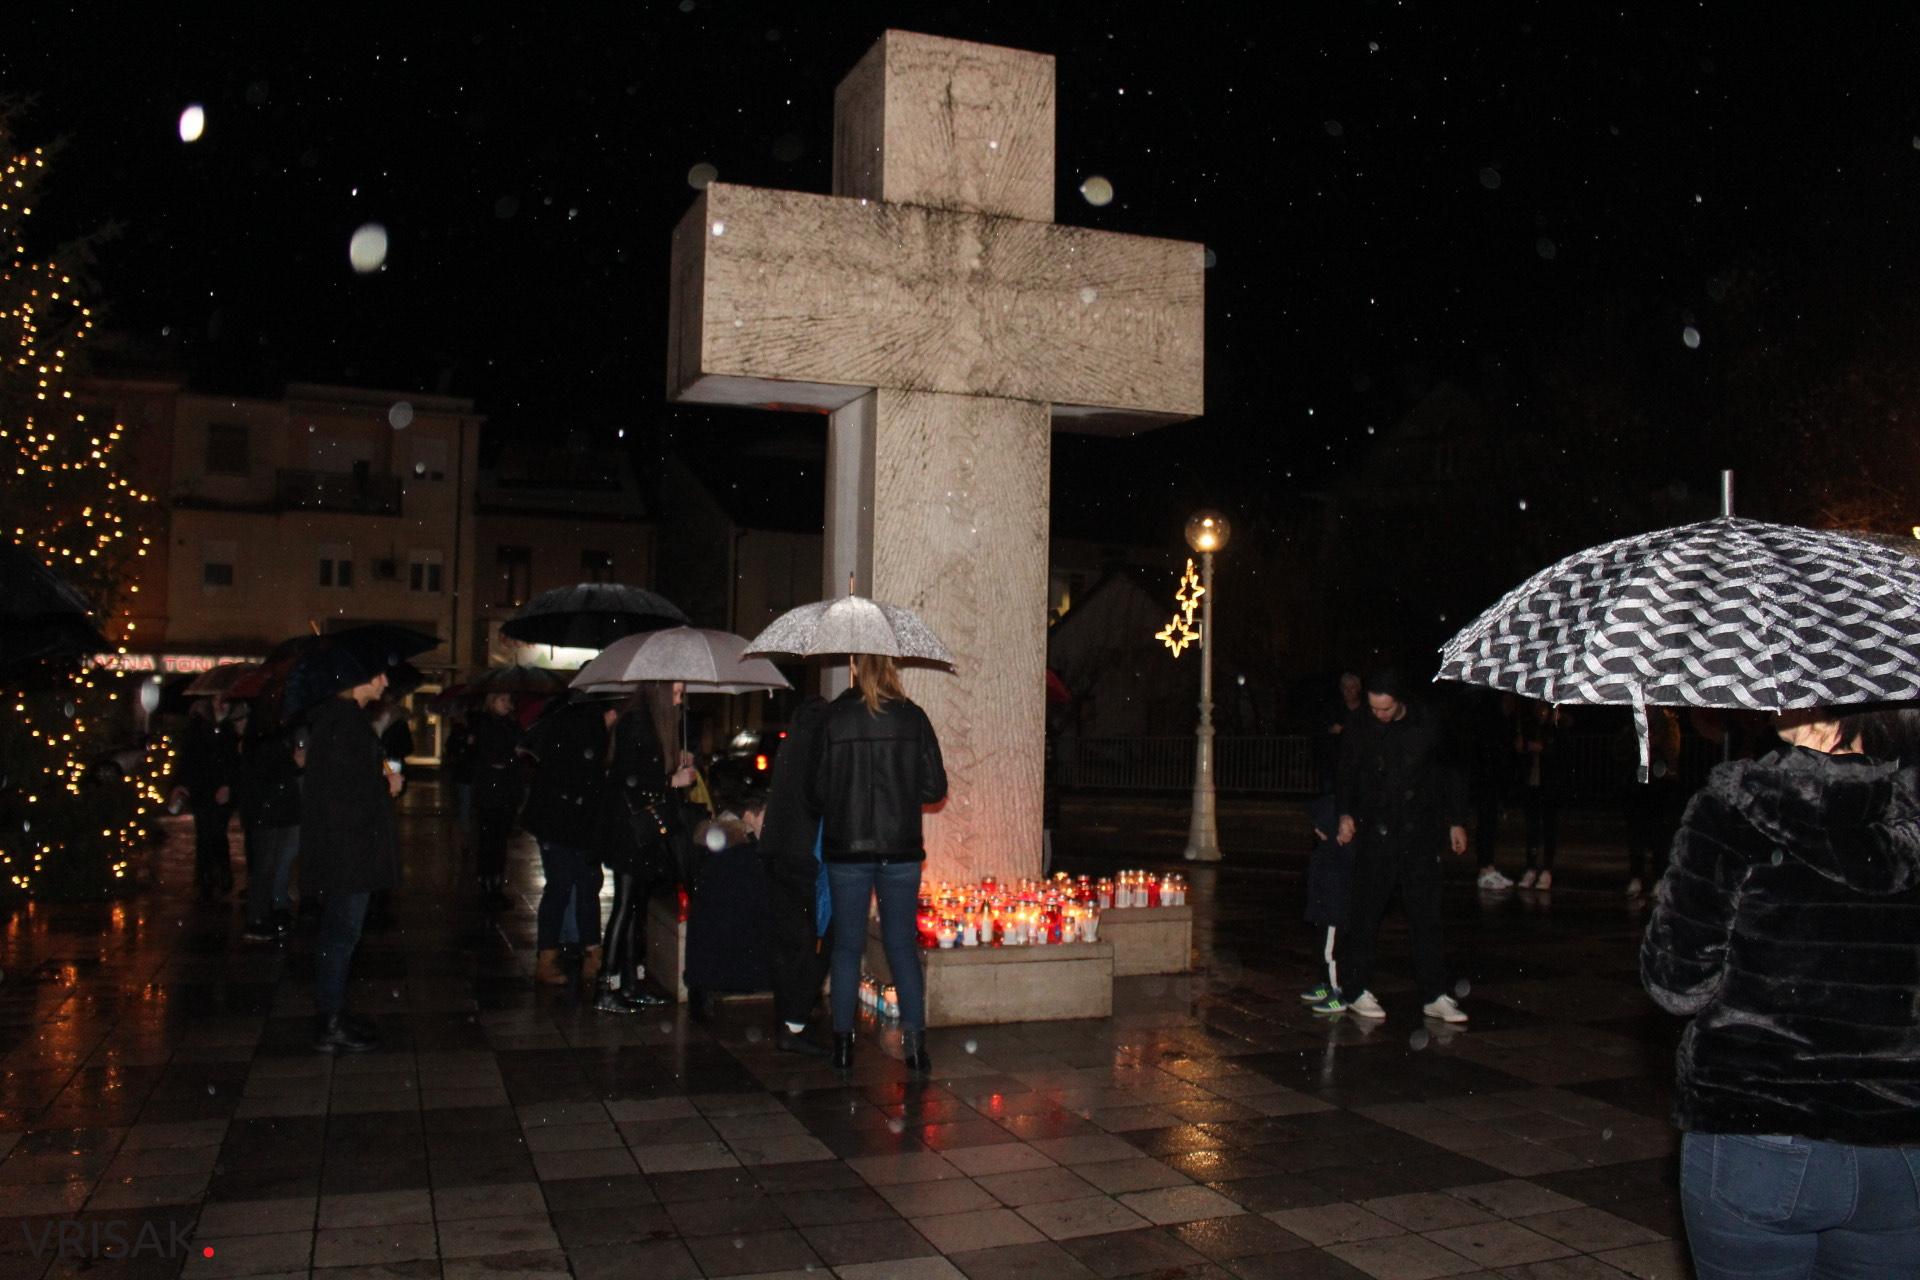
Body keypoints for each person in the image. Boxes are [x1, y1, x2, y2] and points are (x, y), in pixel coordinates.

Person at [1641, 704, 1920, 1278]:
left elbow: (1678, 984)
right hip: (1901, 1148)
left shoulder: (1733, 809)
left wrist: (1678, 910)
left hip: (1760, 1133)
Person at [811, 654, 947, 1073]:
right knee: (901, 947)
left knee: (848, 948)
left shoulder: (835, 717)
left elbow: (816, 791)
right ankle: (916, 1047)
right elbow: (935, 787)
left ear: (855, 669)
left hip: (847, 850)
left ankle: (843, 1046)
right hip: (901, 850)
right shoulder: (913, 718)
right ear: (891, 668)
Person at [1319, 669, 1471, 1023]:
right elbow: (1347, 770)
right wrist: (1345, 814)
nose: (1380, 716)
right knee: (1366, 913)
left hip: (1420, 831)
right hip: (1378, 830)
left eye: (1385, 710)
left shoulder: (1427, 721)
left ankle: (1434, 994)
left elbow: (1450, 771)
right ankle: (1355, 989)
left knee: (1426, 916)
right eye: (1374, 709)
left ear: (1399, 701)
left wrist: (1456, 821)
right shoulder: (1361, 724)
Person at [301, 667, 402, 1053]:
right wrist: (385, 784)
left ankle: (334, 1012)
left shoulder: (342, 721)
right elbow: (347, 793)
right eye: (377, 675)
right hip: (348, 849)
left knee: (341, 933)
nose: (384, 682)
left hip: (346, 847)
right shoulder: (343, 723)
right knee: (341, 934)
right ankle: (329, 1021)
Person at [592, 682, 691, 1011]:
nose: (680, 699)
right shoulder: (638, 722)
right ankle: (607, 984)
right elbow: (628, 778)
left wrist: (672, 766)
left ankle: (632, 981)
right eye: (676, 692)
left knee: (635, 905)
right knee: (625, 904)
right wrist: (671, 780)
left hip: (637, 829)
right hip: (628, 829)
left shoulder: (649, 723)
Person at [521, 692, 613, 987]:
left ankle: (550, 957)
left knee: (561, 886)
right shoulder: (591, 728)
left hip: (553, 819)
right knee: (581, 886)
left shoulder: (563, 716)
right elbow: (591, 781)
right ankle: (589, 955)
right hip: (571, 821)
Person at [758, 697, 832, 1055]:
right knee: (816, 941)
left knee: (786, 942)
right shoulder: (819, 742)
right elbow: (819, 796)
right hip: (805, 856)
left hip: (778, 851)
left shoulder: (793, 740)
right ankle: (795, 1023)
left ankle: (787, 1017)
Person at [238, 710, 303, 942]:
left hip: (271, 812)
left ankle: (261, 915)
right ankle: (257, 919)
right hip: (268, 813)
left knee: (269, 865)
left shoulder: (267, 742)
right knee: (265, 866)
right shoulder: (266, 744)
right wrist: (292, 763)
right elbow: (270, 775)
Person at [174, 693, 241, 902]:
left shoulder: (231, 728)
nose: (222, 705)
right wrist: (181, 784)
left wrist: (228, 785)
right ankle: (206, 877)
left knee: (218, 832)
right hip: (201, 788)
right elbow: (188, 758)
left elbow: (233, 760)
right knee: (204, 832)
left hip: (222, 789)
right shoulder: (197, 726)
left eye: (226, 701)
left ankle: (222, 872)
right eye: (218, 700)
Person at [468, 692, 523, 911]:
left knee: (498, 839)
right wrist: (512, 755)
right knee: (491, 839)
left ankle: (494, 884)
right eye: (503, 700)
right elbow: (493, 757)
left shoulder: (509, 724)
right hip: (492, 791)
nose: (507, 704)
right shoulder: (486, 725)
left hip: (503, 791)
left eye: (509, 700)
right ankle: (489, 885)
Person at [1622, 705, 1683, 898]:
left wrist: (1652, 745)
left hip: (1660, 786)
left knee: (1659, 834)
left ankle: (1659, 877)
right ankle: (1636, 876)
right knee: (1637, 833)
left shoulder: (1668, 724)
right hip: (1639, 785)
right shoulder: (1634, 723)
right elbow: (1623, 747)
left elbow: (1671, 753)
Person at [1467, 692, 1517, 890]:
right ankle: (1485, 868)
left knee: (1490, 821)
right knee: (1486, 821)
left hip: (1493, 774)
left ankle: (1489, 866)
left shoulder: (1499, 713)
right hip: (1486, 774)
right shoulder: (1489, 708)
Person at [1515, 700, 1565, 890]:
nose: (1540, 712)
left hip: (1550, 786)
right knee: (1532, 828)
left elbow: (1562, 754)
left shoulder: (1556, 728)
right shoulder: (1529, 726)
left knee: (1549, 828)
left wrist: (1544, 749)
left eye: (1543, 708)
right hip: (1532, 784)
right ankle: (1531, 867)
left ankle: (1547, 868)